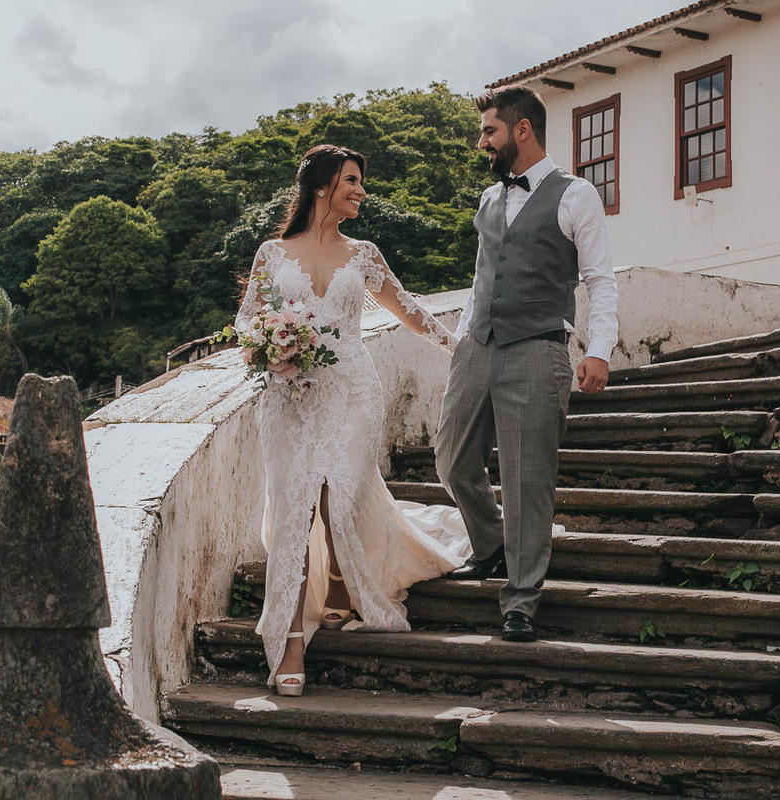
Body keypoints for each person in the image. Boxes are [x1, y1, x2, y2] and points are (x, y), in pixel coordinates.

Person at [233, 144, 471, 696]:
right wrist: (267, 348)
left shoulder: (363, 254)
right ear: (322, 186)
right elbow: (246, 323)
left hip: (352, 394)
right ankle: (292, 640)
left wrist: (460, 347)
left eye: (360, 182)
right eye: (352, 180)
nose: (361, 190)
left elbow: (408, 311)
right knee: (295, 505)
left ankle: (342, 584)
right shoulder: (271, 253)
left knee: (336, 493)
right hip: (288, 399)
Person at [435, 87, 618, 642]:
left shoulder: (575, 195)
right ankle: (491, 545)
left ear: (521, 130)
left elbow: (599, 279)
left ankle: (521, 598)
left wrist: (599, 349)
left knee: (527, 478)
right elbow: (481, 276)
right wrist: (464, 336)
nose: (482, 142)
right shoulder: (489, 200)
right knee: (451, 457)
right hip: (477, 346)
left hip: (539, 349)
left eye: (489, 131)